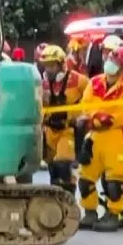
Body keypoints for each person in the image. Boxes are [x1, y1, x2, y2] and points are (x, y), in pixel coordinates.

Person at [78, 45, 123, 231]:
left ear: (122, 67)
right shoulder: (94, 82)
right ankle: (90, 213)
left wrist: (104, 119)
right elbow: (85, 106)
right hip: (95, 136)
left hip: (117, 137)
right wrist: (97, 118)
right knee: (85, 179)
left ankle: (114, 214)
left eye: (114, 61)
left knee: (115, 183)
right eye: (110, 59)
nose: (109, 63)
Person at [38, 44, 87, 195]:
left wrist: (83, 116)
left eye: (51, 65)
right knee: (53, 170)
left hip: (68, 130)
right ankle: (56, 204)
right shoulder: (43, 84)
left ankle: (69, 199)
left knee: (63, 164)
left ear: (61, 64)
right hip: (50, 131)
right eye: (46, 65)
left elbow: (93, 97)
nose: (48, 69)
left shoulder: (78, 80)